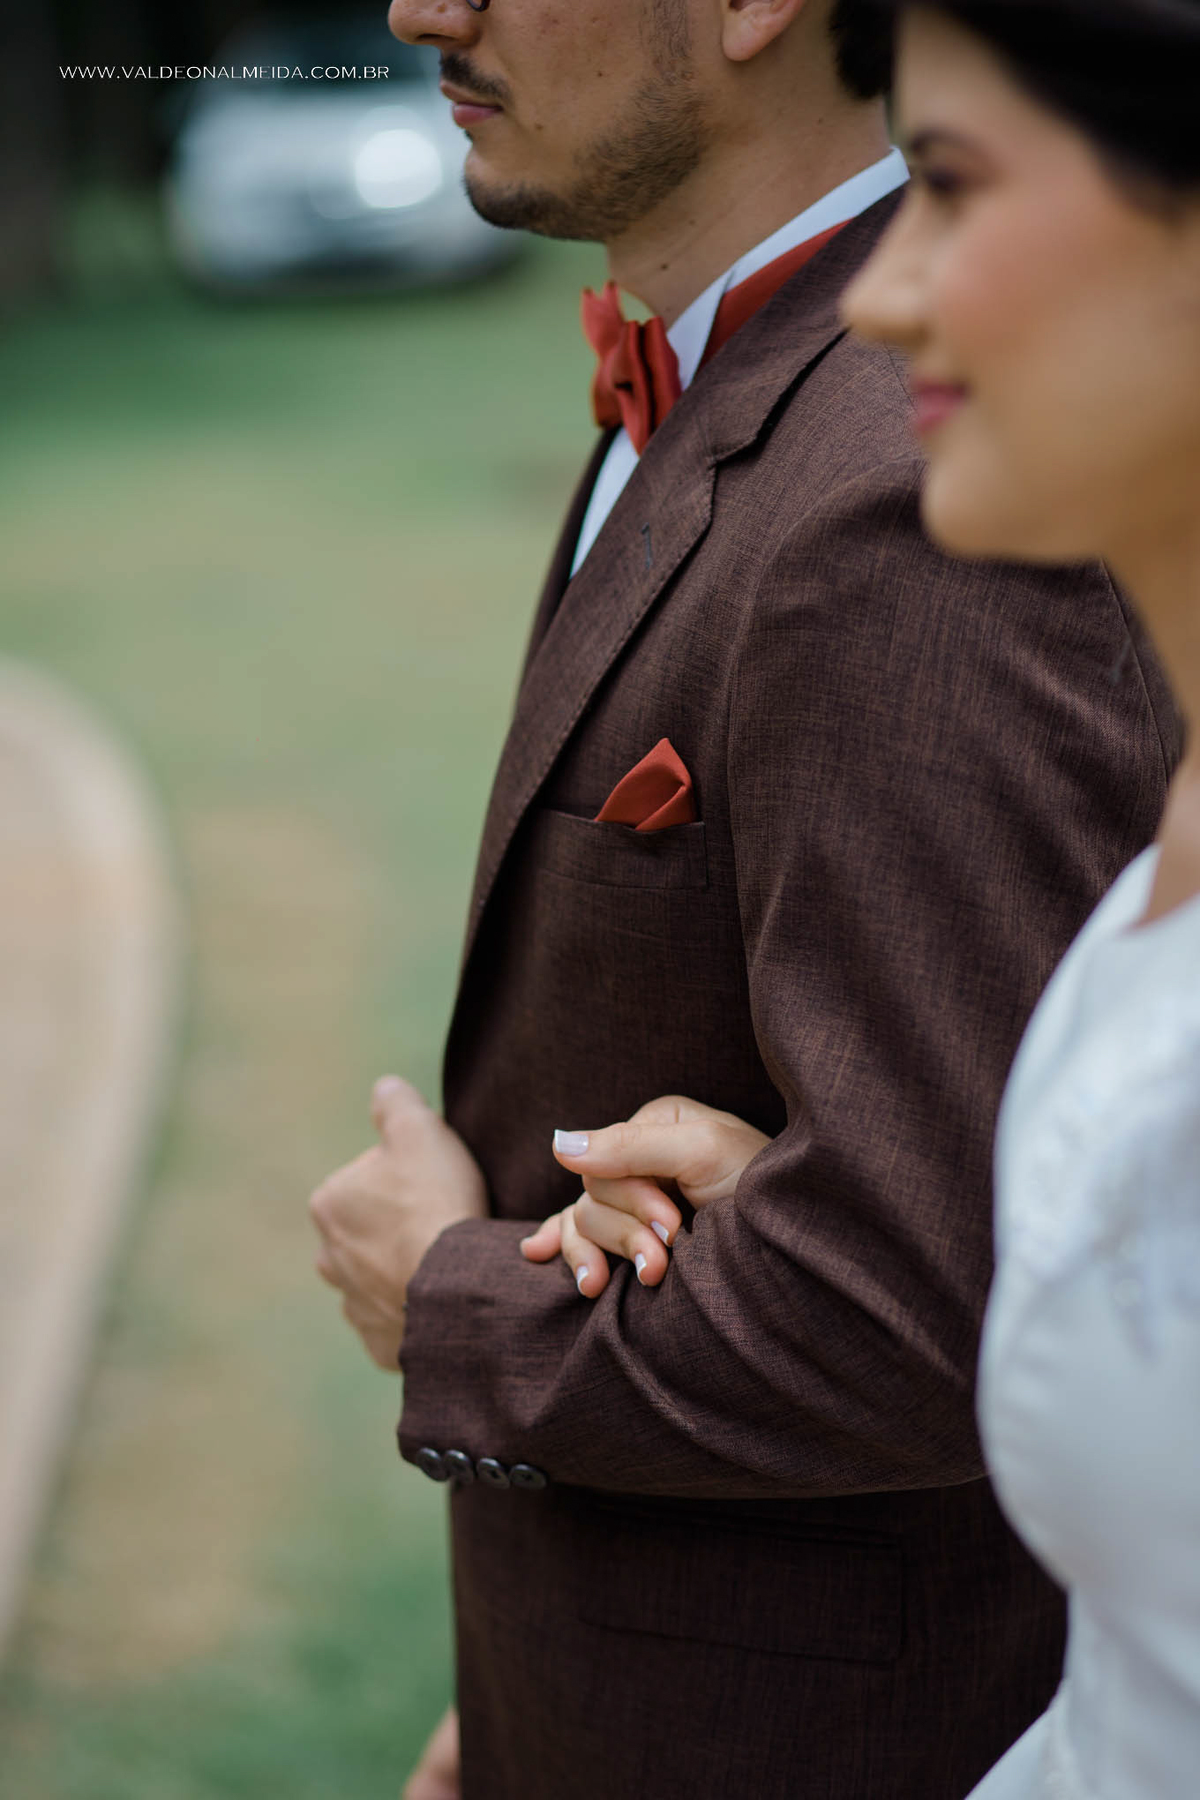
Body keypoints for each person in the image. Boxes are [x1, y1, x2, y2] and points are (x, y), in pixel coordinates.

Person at [306, 1, 1180, 1795]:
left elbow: (931, 1289)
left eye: (958, 182)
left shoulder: (924, 482)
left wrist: (450, 1302)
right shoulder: (709, 378)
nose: (421, 9)